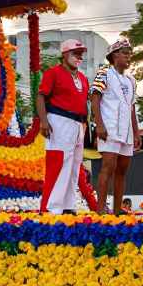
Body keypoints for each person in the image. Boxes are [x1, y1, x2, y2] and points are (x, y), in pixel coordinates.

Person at [37, 39, 90, 214]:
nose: (79, 57)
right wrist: (43, 121)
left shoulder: (83, 78)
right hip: (59, 120)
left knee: (74, 166)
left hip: (78, 123)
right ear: (65, 54)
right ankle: (51, 208)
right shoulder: (53, 73)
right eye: (76, 54)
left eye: (81, 54)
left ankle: (68, 206)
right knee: (58, 163)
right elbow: (41, 97)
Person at [90, 37, 141, 215]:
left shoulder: (132, 80)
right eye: (125, 54)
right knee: (108, 166)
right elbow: (94, 99)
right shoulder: (104, 74)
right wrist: (99, 125)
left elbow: (132, 107)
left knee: (122, 169)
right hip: (109, 127)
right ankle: (100, 209)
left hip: (126, 131)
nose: (128, 57)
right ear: (115, 56)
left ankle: (118, 209)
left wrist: (136, 132)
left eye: (129, 54)